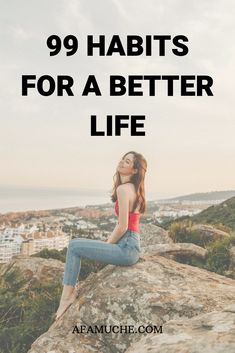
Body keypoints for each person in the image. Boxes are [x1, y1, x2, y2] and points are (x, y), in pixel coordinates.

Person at [55, 151, 147, 321]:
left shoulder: (123, 189)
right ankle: (67, 295)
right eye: (122, 159)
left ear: (134, 170)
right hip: (131, 246)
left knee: (74, 246)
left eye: (127, 162)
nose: (121, 162)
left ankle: (67, 297)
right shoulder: (134, 189)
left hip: (126, 248)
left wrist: (108, 245)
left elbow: (122, 226)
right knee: (76, 245)